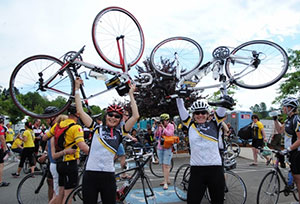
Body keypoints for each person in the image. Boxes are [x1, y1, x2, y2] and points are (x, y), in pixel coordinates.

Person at [75, 77, 139, 204]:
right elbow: (80, 112)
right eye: (110, 114)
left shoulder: (120, 132)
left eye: (117, 116)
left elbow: (136, 116)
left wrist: (131, 94)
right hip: (90, 176)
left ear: (120, 119)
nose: (113, 118)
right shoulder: (96, 128)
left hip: (108, 176)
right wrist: (76, 89)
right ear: (106, 116)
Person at [176, 97, 232, 204]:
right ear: (193, 115)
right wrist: (179, 94)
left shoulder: (215, 124)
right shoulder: (190, 125)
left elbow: (222, 107)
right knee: (192, 201)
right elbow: (180, 105)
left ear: (207, 114)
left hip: (215, 169)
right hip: (197, 171)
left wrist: (224, 90)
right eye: (197, 113)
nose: (200, 115)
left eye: (203, 112)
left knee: (218, 202)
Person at [46, 104, 89, 204]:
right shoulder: (76, 127)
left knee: (60, 193)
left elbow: (45, 137)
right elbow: (82, 145)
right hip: (70, 162)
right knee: (68, 194)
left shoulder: (57, 126)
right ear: (77, 114)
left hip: (59, 163)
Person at [274, 97, 300, 201]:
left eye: (284, 106)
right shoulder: (288, 119)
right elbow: (279, 130)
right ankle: (291, 185)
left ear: (290, 107)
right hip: (291, 152)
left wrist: (288, 149)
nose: (283, 108)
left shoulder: (296, 119)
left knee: (298, 179)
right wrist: (275, 119)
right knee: (294, 175)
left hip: (297, 152)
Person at [154, 113, 174, 190]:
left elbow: (169, 134)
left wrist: (163, 128)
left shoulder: (171, 126)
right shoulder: (159, 127)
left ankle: (165, 182)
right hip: (160, 147)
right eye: (162, 121)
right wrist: (157, 128)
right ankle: (167, 179)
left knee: (166, 165)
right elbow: (156, 136)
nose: (163, 122)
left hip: (168, 147)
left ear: (168, 120)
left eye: (164, 121)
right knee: (163, 165)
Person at [0, 116, 9, 187]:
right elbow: (2, 139)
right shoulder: (1, 128)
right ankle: (0, 181)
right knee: (1, 164)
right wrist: (5, 148)